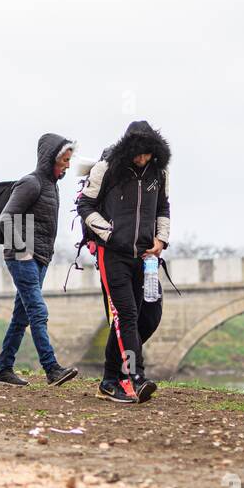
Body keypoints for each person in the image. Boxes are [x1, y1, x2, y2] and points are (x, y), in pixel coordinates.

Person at [75, 120, 171, 404]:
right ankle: (135, 377)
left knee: (148, 317)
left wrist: (161, 239)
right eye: (138, 154)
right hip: (112, 254)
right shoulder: (107, 168)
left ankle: (108, 377)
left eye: (147, 154)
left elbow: (163, 207)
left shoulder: (159, 172)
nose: (142, 159)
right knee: (125, 315)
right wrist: (110, 234)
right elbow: (85, 205)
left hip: (145, 256)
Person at [0, 133, 80, 387]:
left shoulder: (52, 185)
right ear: (51, 158)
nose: (67, 164)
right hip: (22, 258)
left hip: (39, 258)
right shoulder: (31, 183)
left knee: (21, 316)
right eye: (64, 159)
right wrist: (24, 252)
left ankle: (3, 369)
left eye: (69, 159)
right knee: (37, 311)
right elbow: (6, 218)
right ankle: (51, 368)